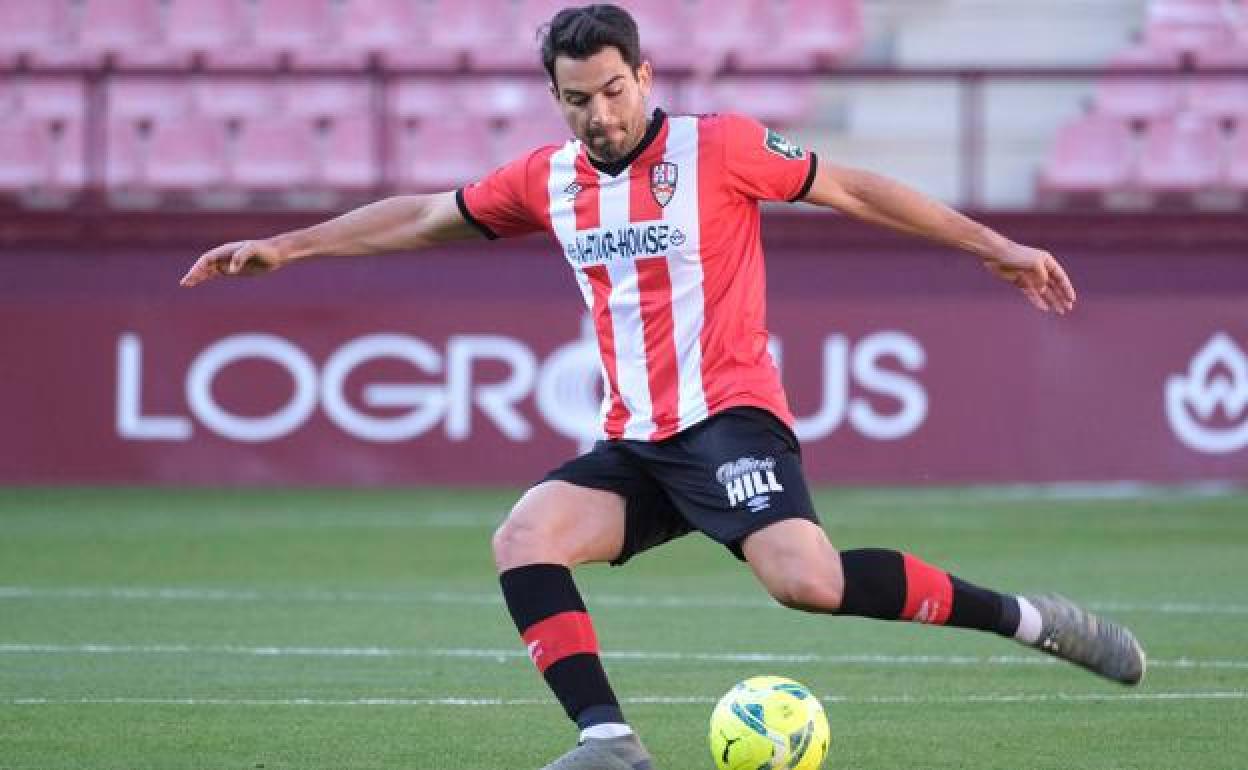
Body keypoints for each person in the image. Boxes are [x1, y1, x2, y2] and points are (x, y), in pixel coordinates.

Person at [181, 5, 1146, 769]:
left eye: (611, 91)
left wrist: (998, 247)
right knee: (524, 536)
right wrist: (289, 245)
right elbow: (429, 213)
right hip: (637, 440)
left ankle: (1033, 620)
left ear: (644, 76)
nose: (598, 116)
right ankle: (608, 739)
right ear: (554, 99)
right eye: (575, 99)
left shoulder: (717, 149)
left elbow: (851, 187)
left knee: (807, 584)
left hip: (729, 418)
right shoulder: (548, 178)